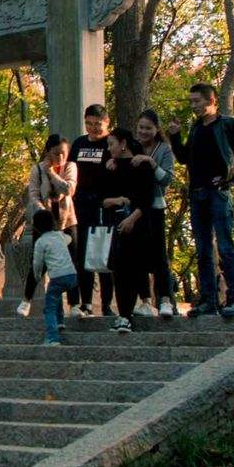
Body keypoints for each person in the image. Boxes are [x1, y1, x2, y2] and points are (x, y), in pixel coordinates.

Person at [176, 82, 234, 321]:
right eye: (191, 102)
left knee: (225, 246)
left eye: (197, 101)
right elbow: (183, 159)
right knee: (202, 250)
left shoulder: (230, 125)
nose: (194, 106)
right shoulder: (195, 128)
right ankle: (209, 300)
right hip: (197, 193)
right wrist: (173, 136)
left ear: (211, 101)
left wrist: (233, 179)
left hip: (218, 193)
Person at [17, 135, 77, 317]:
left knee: (72, 262)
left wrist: (51, 173)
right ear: (48, 152)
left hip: (67, 220)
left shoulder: (70, 167)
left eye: (63, 154)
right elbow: (33, 194)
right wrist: (43, 212)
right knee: (39, 262)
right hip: (44, 223)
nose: (60, 157)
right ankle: (26, 300)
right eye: (56, 153)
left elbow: (68, 189)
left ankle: (74, 304)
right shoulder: (37, 169)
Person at [101, 130, 155, 332]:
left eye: (112, 144)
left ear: (123, 143)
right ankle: (123, 315)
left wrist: (132, 218)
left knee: (135, 269)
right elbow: (102, 198)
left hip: (138, 225)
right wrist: (116, 201)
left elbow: (147, 199)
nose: (109, 149)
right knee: (120, 271)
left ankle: (135, 310)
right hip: (115, 225)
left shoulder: (142, 165)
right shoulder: (111, 167)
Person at [68, 104, 115, 317]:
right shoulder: (79, 143)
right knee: (82, 254)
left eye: (98, 124)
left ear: (107, 123)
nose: (93, 128)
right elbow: (69, 169)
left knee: (104, 254)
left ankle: (106, 304)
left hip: (104, 206)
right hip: (80, 206)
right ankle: (85, 302)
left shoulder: (111, 143)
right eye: (89, 124)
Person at [132, 109, 178, 318]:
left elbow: (167, 179)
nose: (143, 131)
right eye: (141, 127)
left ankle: (165, 299)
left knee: (159, 255)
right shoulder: (132, 146)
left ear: (156, 129)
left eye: (148, 128)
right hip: (135, 209)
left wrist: (151, 163)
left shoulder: (164, 150)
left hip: (156, 206)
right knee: (138, 255)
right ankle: (145, 300)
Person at [30, 207, 79, 347]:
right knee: (55, 294)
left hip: (57, 277)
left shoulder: (40, 242)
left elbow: (37, 262)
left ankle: (52, 338)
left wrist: (37, 274)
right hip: (72, 275)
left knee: (49, 307)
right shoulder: (59, 236)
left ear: (37, 227)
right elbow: (69, 238)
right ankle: (60, 322)